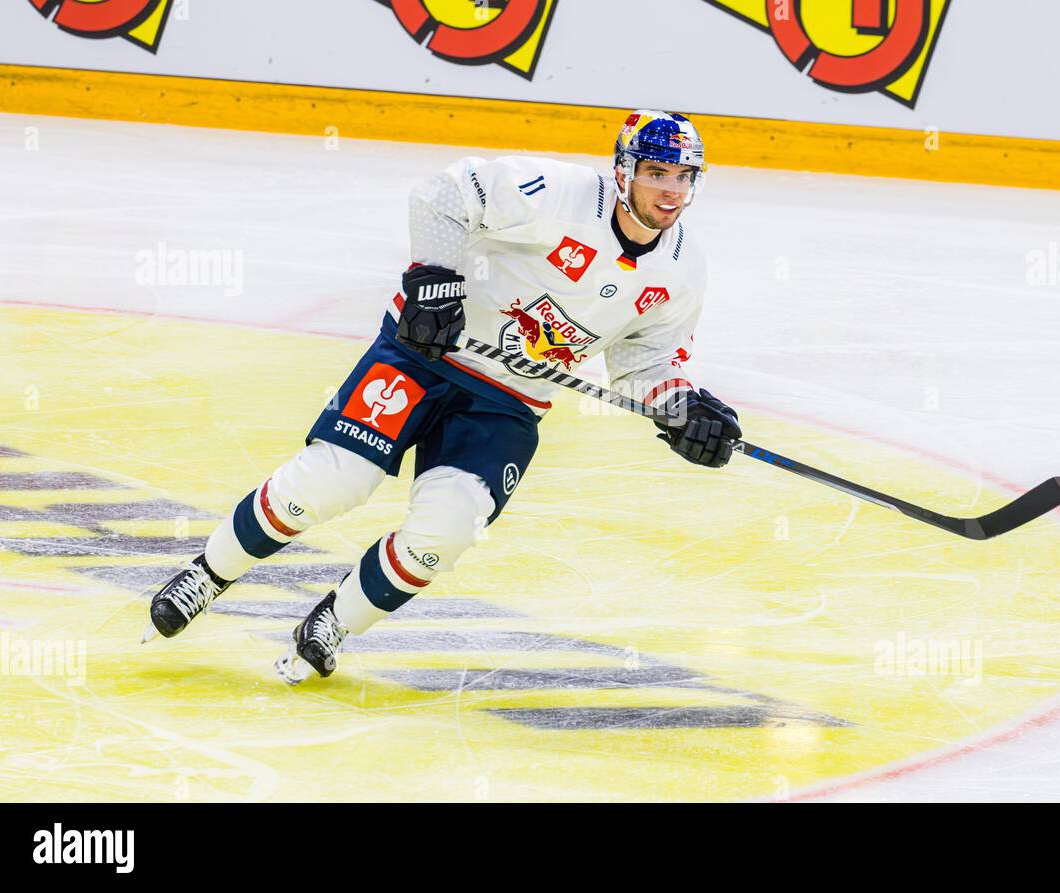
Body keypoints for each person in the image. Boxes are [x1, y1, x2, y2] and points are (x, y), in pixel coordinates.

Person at [144, 109, 743, 684]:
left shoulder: (684, 270)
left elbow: (647, 360)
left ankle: (336, 620)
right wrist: (435, 279)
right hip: (426, 354)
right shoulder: (558, 194)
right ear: (624, 171)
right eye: (656, 173)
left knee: (447, 530)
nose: (671, 190)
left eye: (684, 177)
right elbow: (446, 194)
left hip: (506, 403)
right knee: (332, 480)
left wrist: (680, 407)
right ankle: (208, 573)